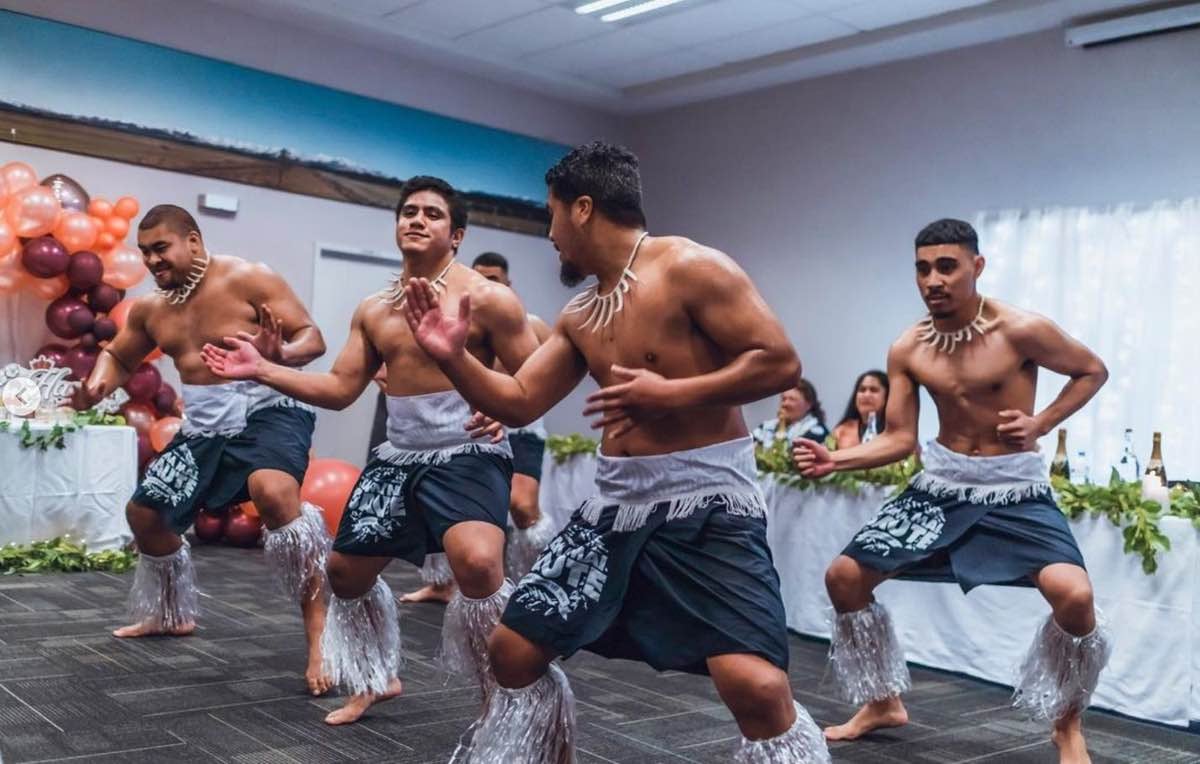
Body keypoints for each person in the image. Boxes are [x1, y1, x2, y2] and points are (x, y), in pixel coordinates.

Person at [403, 141, 830, 762]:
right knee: (513, 650)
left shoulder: (691, 267)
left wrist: (672, 392)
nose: (550, 235)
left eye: (552, 215)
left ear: (582, 208)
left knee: (757, 688)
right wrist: (452, 358)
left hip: (709, 506)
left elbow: (780, 362)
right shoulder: (581, 312)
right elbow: (518, 401)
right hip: (615, 509)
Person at [201, 176, 540, 726]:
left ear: (456, 235)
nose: (417, 219)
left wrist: (502, 407)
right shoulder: (374, 308)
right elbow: (340, 389)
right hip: (399, 456)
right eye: (409, 211)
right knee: (344, 573)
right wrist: (264, 368)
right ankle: (376, 677)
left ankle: (498, 701)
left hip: (467, 450)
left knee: (478, 563)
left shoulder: (489, 299)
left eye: (432, 214)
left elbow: (535, 377)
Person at [794, 218, 1110, 764]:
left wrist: (1041, 423)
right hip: (941, 488)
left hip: (1014, 489)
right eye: (923, 269)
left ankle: (1067, 724)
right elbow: (899, 439)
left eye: (947, 266)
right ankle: (882, 701)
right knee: (844, 578)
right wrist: (835, 457)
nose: (933, 280)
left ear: (976, 266)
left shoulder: (1020, 329)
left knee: (1076, 598)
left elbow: (1091, 371)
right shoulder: (909, 347)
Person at [81, 204, 332, 696]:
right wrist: (97, 383)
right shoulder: (152, 309)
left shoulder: (248, 278)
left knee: (273, 492)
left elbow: (313, 338)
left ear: (193, 241)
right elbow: (120, 356)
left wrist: (280, 354)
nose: (152, 260)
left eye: (161, 248)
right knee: (145, 514)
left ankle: (323, 635)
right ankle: (171, 612)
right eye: (144, 252)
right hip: (205, 426)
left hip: (268, 409)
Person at [401, 251, 557, 604]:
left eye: (494, 279)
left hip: (520, 425)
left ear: (508, 284)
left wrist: (507, 409)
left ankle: (538, 585)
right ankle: (442, 583)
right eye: (480, 277)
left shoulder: (531, 325)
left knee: (522, 506)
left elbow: (550, 381)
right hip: (470, 424)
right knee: (445, 504)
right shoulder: (455, 323)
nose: (485, 285)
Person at [751, 378, 828, 449]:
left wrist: (782, 428)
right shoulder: (766, 427)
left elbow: (787, 456)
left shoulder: (817, 432)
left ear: (808, 404)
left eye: (792, 399)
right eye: (783, 399)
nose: (785, 404)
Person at [832, 370, 888, 448]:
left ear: (887, 396)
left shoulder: (897, 431)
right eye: (862, 390)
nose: (866, 395)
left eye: (873, 390)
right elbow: (823, 453)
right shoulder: (840, 431)